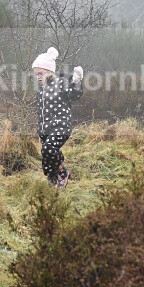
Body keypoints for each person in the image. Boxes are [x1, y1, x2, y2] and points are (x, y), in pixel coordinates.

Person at [32, 47, 83, 188]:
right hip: (46, 129)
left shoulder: (60, 83)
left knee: (48, 149)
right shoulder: (40, 90)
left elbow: (74, 94)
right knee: (46, 156)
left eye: (40, 73)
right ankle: (53, 177)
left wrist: (77, 81)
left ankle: (62, 172)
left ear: (49, 71)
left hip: (61, 126)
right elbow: (41, 112)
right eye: (36, 74)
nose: (38, 77)